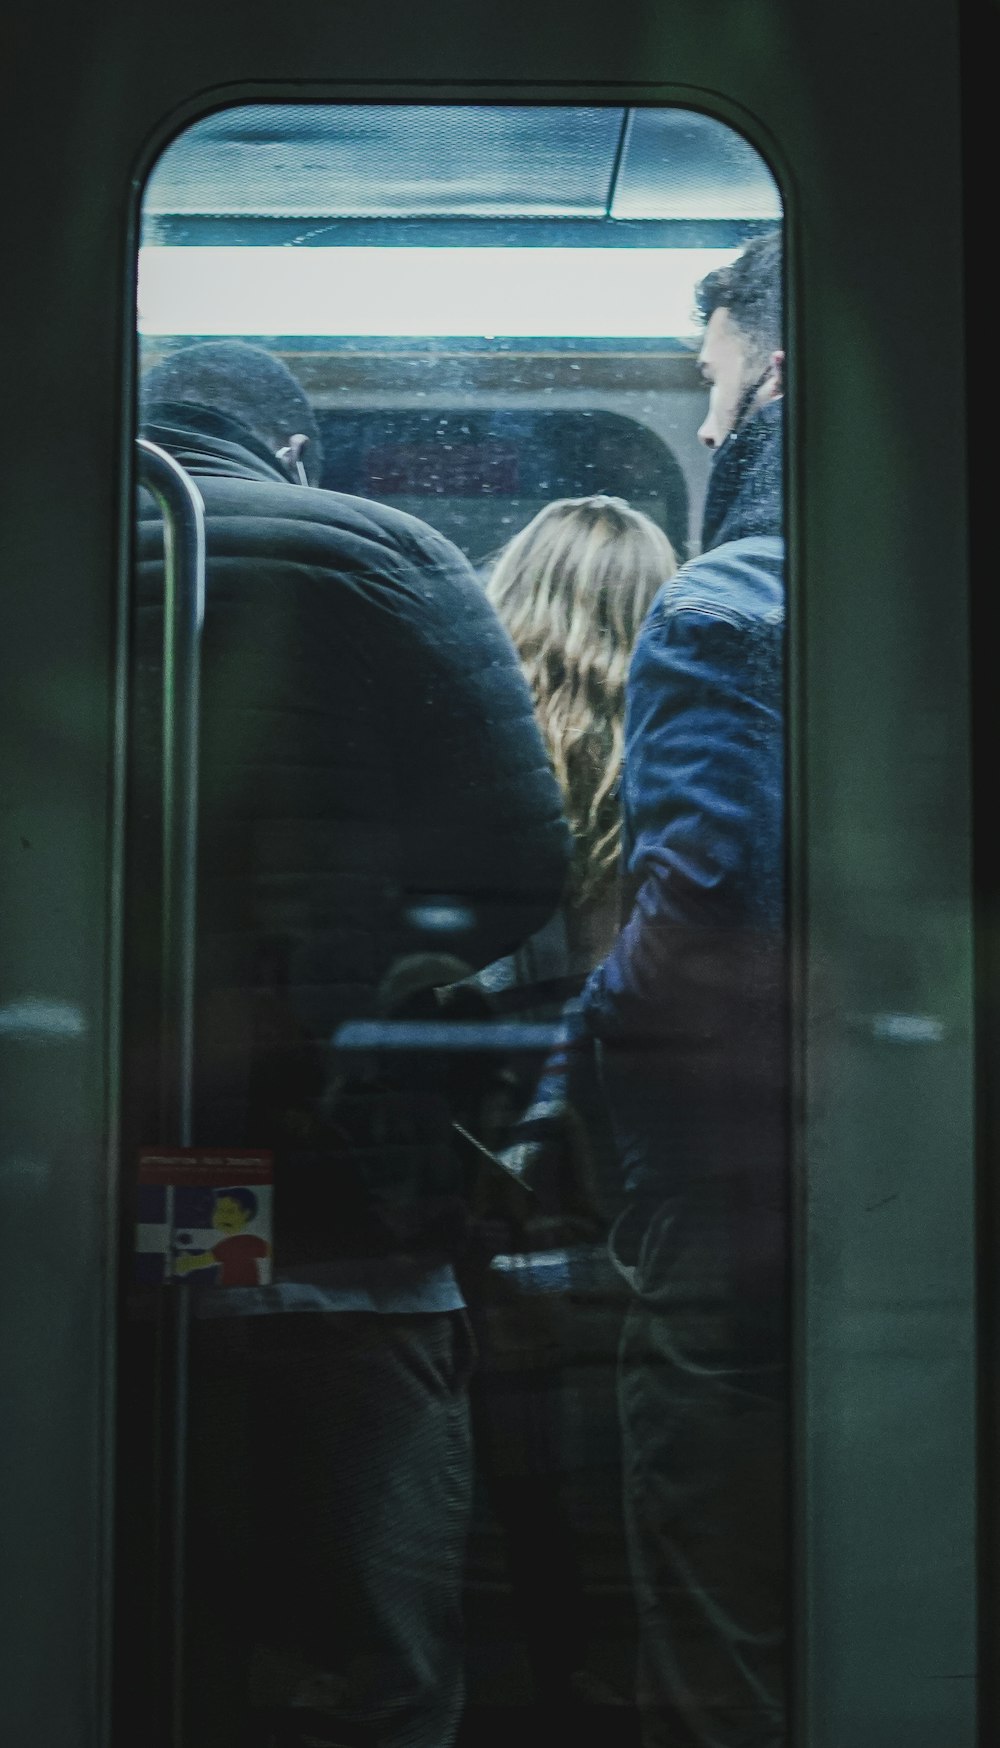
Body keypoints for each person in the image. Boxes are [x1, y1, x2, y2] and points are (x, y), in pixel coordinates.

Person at [124, 340, 571, 1748]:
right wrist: (337, 990)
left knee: (171, 1552)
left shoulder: (49, 548)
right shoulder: (389, 556)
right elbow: (517, 860)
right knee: (379, 1599)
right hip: (344, 1177)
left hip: (147, 1146)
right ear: (293, 453)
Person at [581, 231, 788, 1747]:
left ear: (771, 361)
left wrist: (565, 1074)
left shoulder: (722, 606)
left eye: (711, 374)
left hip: (723, 1191)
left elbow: (694, 918)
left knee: (718, 1620)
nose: (704, 417)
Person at [462, 496, 678, 1708]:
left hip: (496, 1135)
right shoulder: (680, 762)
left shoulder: (482, 762)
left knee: (508, 1410)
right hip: (634, 1129)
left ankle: (535, 1658)